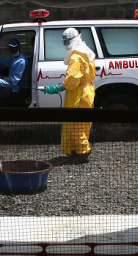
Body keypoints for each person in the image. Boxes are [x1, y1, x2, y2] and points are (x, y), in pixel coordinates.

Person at [44, 28, 95, 163]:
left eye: (66, 42)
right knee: (82, 124)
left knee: (75, 124)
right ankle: (77, 150)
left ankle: (82, 154)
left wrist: (56, 88)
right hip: (87, 91)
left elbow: (72, 80)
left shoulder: (76, 57)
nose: (65, 45)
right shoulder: (85, 52)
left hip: (79, 94)